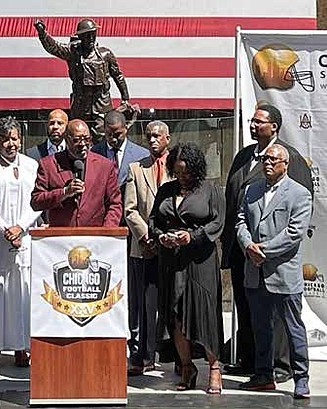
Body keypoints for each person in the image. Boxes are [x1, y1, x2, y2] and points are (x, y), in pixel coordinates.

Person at [220, 103, 313, 381]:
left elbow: (298, 207)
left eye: (259, 121)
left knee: (282, 319)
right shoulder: (244, 156)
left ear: (274, 126)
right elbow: (236, 203)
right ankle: (253, 362)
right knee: (250, 310)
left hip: (276, 259)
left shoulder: (290, 157)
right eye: (251, 120)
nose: (252, 125)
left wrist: (267, 249)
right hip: (245, 251)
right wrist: (245, 244)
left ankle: (282, 366)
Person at [235, 144, 312, 399]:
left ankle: (301, 377)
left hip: (283, 273)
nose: (268, 163)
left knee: (293, 328)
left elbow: (294, 233)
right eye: (266, 159)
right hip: (255, 273)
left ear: (285, 164)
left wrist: (263, 250)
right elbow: (241, 221)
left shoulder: (299, 194)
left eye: (274, 160)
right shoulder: (251, 190)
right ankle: (263, 375)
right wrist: (248, 245)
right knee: (260, 328)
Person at [149, 143, 225, 394]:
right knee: (174, 314)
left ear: (196, 169)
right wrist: (161, 236)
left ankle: (214, 369)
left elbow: (218, 222)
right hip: (171, 261)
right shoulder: (166, 190)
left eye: (187, 172)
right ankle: (187, 366)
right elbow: (153, 220)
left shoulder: (210, 190)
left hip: (199, 262)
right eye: (178, 171)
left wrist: (192, 237)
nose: (182, 176)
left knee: (205, 314)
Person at [0, 117, 41, 368]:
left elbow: (38, 200)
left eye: (14, 138)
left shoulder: (31, 165)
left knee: (21, 293)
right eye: (5, 139)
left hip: (25, 238)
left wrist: (21, 227)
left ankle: (22, 348)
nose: (10, 144)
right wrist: (5, 228)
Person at [123, 120, 171, 376]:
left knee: (172, 300)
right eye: (149, 136)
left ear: (167, 139)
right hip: (144, 247)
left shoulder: (178, 165)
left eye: (157, 136)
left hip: (171, 246)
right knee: (144, 303)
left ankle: (173, 352)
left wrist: (166, 237)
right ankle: (144, 354)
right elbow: (129, 209)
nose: (152, 140)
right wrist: (145, 237)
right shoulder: (135, 168)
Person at [34, 18, 129, 121]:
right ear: (80, 37)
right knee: (78, 134)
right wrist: (43, 34)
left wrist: (125, 98)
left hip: (102, 105)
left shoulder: (106, 54)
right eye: (87, 35)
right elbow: (54, 47)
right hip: (80, 107)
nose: (91, 38)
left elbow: (118, 75)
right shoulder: (73, 53)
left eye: (93, 34)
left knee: (102, 134)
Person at [31, 119, 121, 227]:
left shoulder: (105, 166)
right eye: (76, 140)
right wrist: (64, 193)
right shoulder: (48, 164)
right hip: (61, 237)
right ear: (66, 140)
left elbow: (114, 204)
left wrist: (106, 232)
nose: (82, 144)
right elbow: (36, 201)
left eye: (86, 139)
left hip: (95, 238)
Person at [91, 110, 149, 190]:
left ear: (126, 128)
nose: (113, 139)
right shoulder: (94, 153)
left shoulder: (142, 155)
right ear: (104, 129)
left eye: (117, 134)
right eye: (109, 134)